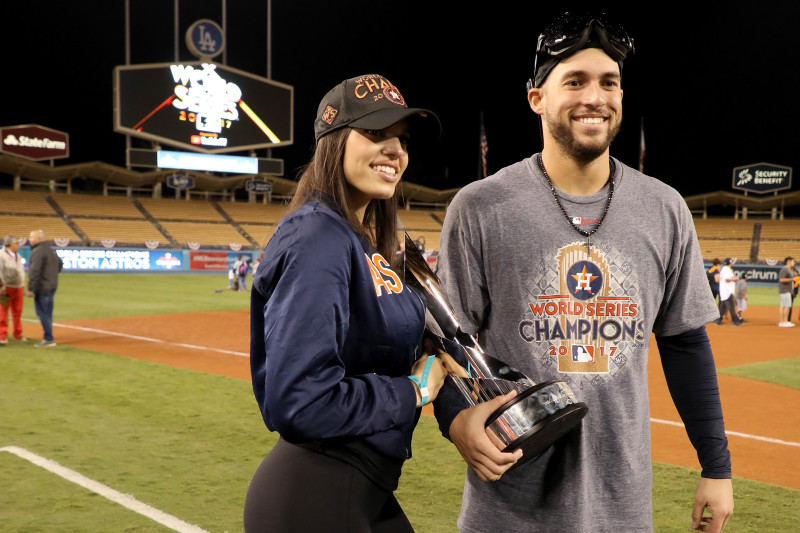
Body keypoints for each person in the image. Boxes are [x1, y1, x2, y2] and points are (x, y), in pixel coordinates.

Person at [434, 12, 733, 533]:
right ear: (537, 99)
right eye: (574, 81)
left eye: (609, 83)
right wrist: (454, 422)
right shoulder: (480, 207)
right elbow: (447, 344)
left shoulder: (664, 208)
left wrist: (716, 466)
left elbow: (685, 344)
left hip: (623, 506)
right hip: (507, 507)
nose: (595, 97)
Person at [244, 73, 456, 532]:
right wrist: (413, 390)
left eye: (401, 138)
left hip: (359, 491)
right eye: (376, 133)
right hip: (316, 496)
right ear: (334, 142)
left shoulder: (361, 240)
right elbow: (300, 401)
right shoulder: (317, 236)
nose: (395, 150)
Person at [25, 229, 63, 347]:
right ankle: (48, 336)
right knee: (48, 312)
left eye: (31, 237)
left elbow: (34, 271)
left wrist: (30, 288)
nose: (29, 239)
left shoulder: (38, 251)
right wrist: (52, 275)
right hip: (52, 285)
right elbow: (60, 264)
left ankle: (48, 339)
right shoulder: (51, 250)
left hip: (42, 287)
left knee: (42, 313)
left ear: (38, 239)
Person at [0, 235, 27, 345]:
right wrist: (1, 287)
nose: (18, 245)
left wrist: (22, 283)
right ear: (9, 244)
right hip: (6, 287)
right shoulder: (1, 255)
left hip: (18, 287)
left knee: (18, 311)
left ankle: (18, 333)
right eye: (16, 243)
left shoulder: (18, 256)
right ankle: (2, 335)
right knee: (3, 312)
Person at [717, 258, 743, 326]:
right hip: (727, 291)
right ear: (730, 263)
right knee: (731, 306)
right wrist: (734, 279)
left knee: (723, 306)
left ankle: (718, 320)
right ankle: (734, 321)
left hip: (724, 291)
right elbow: (727, 279)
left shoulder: (724, 269)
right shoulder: (727, 270)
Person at [778, 256, 797, 327]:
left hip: (785, 290)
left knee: (783, 306)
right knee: (787, 306)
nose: (793, 263)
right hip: (785, 290)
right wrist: (792, 279)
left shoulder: (787, 269)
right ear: (788, 262)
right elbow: (781, 280)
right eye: (792, 261)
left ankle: (782, 322)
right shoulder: (785, 269)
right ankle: (785, 322)